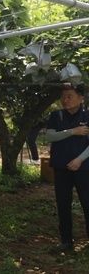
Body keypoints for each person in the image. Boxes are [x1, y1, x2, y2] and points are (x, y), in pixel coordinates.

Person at [45, 84, 89, 252]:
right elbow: (50, 136)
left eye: (70, 96)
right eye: (63, 96)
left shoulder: (87, 115)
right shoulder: (56, 115)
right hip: (61, 167)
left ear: (81, 98)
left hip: (84, 168)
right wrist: (73, 131)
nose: (65, 100)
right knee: (63, 204)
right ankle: (66, 241)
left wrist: (79, 160)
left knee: (87, 203)